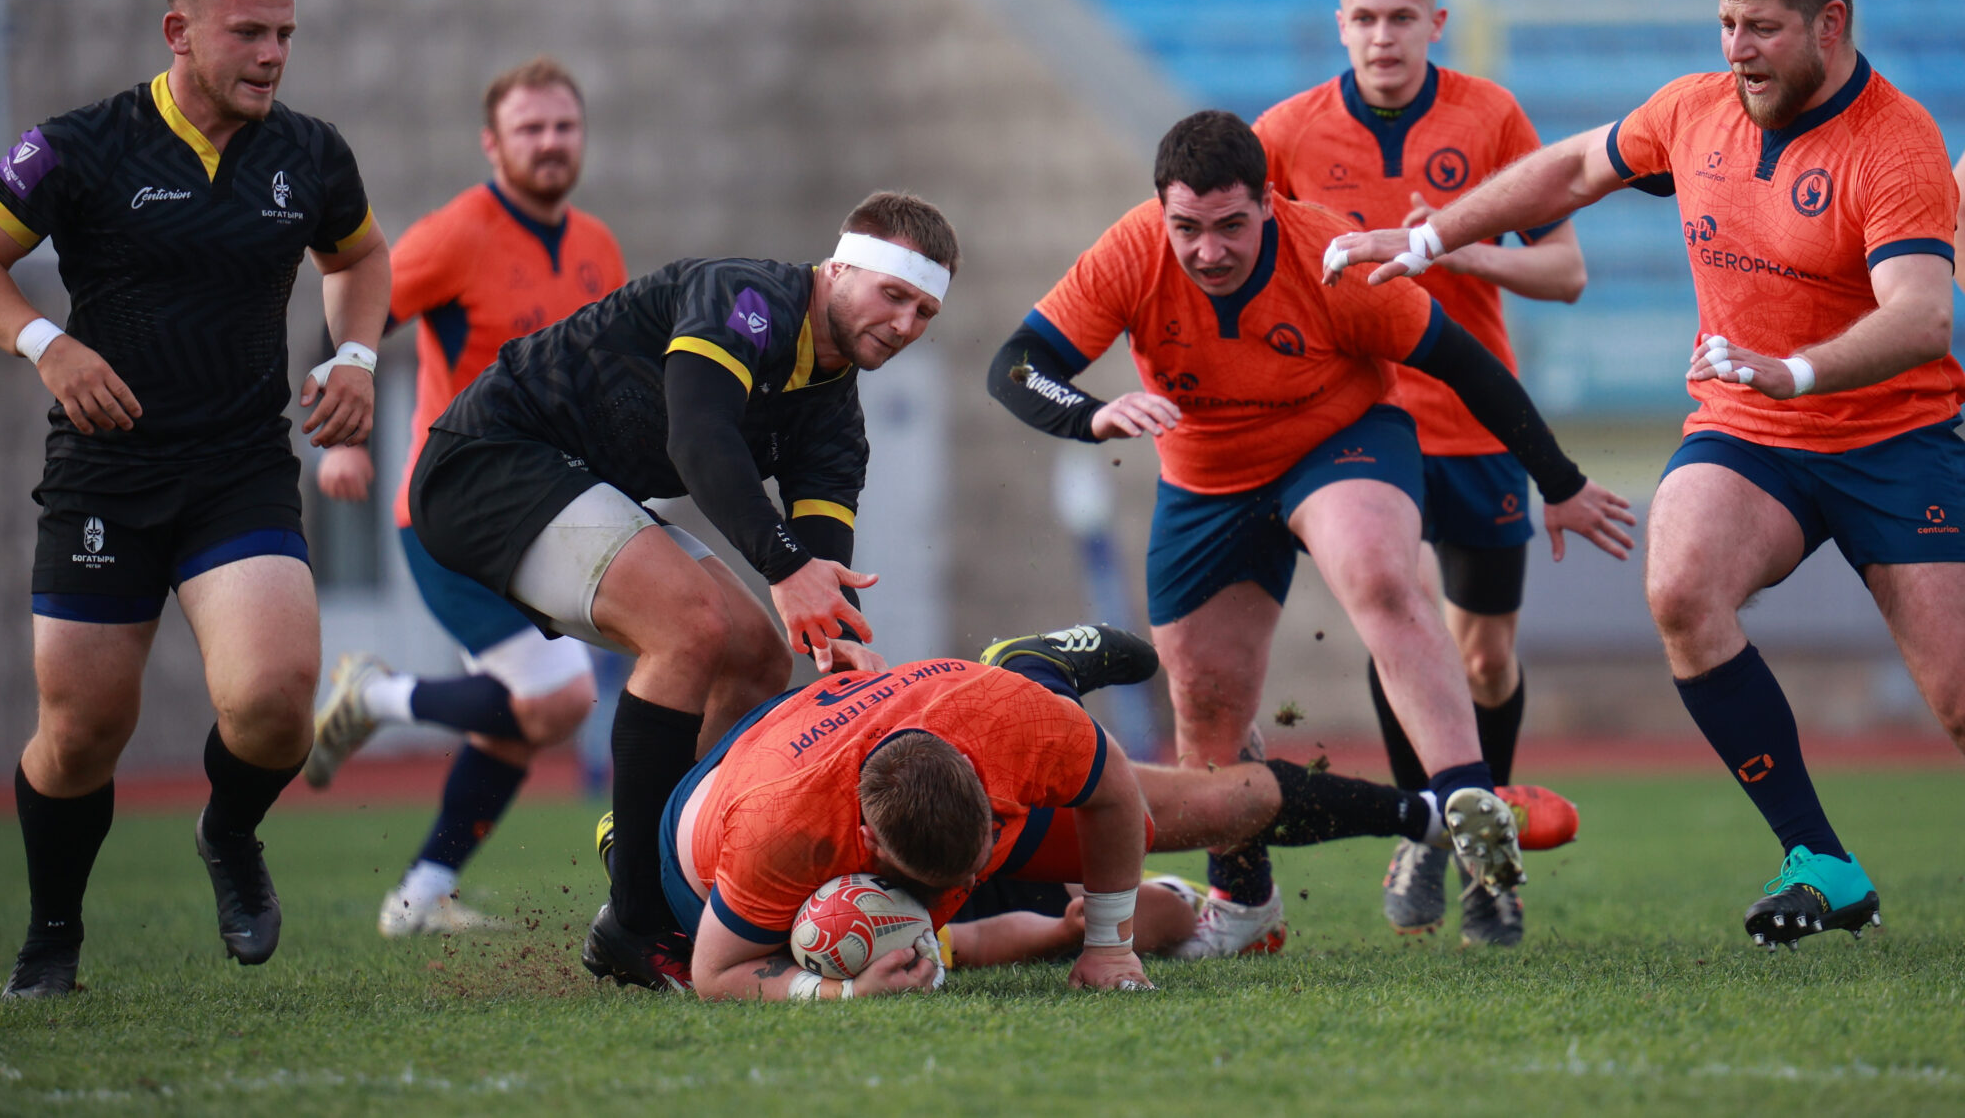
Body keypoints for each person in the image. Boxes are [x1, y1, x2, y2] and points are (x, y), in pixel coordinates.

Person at [1324, 0, 1962, 947]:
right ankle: (1820, 860)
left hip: (1894, 436)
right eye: (1723, 25)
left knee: (1955, 701)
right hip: (1747, 427)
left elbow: (1920, 316)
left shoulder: (1895, 141)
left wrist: (1794, 369)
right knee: (1678, 587)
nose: (1734, 50)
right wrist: (1436, 232)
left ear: (1828, 25)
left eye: (1758, 29)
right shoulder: (1694, 110)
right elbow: (1572, 168)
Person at [988, 110, 1632, 958]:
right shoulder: (1131, 251)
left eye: (1230, 226)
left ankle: (1469, 801)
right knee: (1207, 706)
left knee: (1377, 572)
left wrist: (1562, 482)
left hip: (1342, 438)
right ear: (1161, 211)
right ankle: (1246, 908)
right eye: (1187, 227)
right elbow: (1016, 365)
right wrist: (1093, 412)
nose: (1208, 250)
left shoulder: (1327, 255)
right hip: (1207, 478)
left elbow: (1465, 361)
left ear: (1270, 205)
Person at [0, 0, 390, 997]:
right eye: (248, 33)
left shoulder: (308, 154)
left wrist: (355, 352)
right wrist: (47, 343)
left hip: (238, 469)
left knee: (275, 700)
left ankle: (228, 834)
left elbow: (358, 256)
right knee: (83, 732)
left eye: (284, 35)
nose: (272, 55)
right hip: (106, 476)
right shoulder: (81, 146)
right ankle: (51, 934)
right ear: (178, 32)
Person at [408, 191, 959, 989]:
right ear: (839, 267)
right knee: (693, 627)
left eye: (925, 312)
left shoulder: (836, 417)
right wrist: (783, 568)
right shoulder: (747, 297)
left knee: (758, 658)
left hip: (578, 485)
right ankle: (637, 919)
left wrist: (844, 642)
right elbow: (697, 437)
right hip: (487, 459)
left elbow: (822, 565)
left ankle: (672, 867)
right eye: (894, 294)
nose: (906, 323)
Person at [654, 627, 1581, 999]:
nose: (967, 887)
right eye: (948, 887)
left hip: (957, 709)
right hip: (725, 805)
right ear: (873, 849)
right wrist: (835, 992)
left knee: (1214, 802)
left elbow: (1112, 799)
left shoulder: (1007, 728)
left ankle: (1430, 813)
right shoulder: (781, 832)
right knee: (1031, 931)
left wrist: (1109, 943)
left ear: (992, 803)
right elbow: (716, 975)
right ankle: (1037, 659)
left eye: (982, 858)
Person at [1252, 0, 1588, 946]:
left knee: (1482, 658)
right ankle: (1442, 834)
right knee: (1394, 617)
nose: (1381, 36)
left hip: (1477, 421)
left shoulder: (1487, 116)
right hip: (1359, 428)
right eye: (1363, 18)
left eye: (1401, 17)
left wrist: (1446, 243)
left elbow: (1564, 271)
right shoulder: (1286, 132)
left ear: (1434, 24)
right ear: (1338, 24)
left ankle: (1473, 827)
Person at [301, 57, 629, 936]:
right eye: (530, 129)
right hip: (447, 512)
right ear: (493, 143)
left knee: (523, 717)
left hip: (549, 513)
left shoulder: (597, 246)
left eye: (563, 126)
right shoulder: (454, 234)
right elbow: (349, 315)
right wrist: (344, 435)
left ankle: (418, 894)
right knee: (559, 698)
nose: (550, 143)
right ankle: (373, 698)